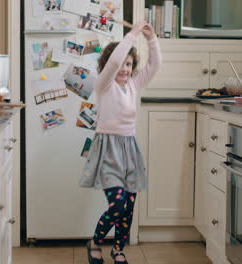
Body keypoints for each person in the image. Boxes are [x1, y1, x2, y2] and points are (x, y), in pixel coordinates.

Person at [79, 21, 161, 264]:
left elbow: (155, 65)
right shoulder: (104, 85)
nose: (124, 69)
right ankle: (95, 242)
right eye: (121, 64)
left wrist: (151, 38)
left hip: (130, 150)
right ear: (107, 66)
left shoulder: (134, 85)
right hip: (108, 150)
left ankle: (118, 249)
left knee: (128, 208)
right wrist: (132, 34)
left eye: (129, 64)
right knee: (118, 205)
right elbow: (114, 61)